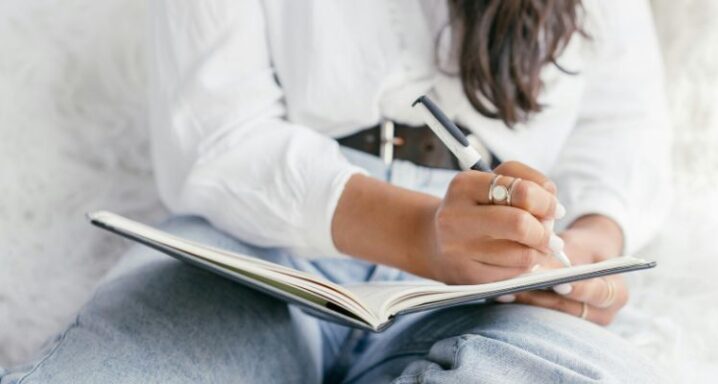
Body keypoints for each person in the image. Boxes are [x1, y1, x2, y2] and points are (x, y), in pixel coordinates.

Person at [0, 0, 672, 382]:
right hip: (258, 244)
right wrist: (422, 234)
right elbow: (211, 134)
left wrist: (582, 255)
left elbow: (621, 126)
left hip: (493, 277)